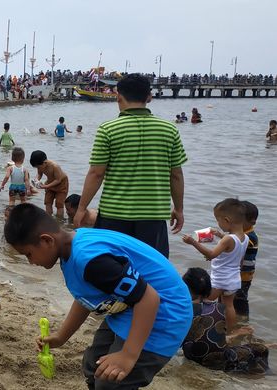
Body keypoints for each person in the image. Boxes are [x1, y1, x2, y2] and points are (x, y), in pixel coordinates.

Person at [5, 204, 192, 389]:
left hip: (165, 313)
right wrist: (61, 337)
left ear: (47, 241)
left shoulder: (90, 260)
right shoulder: (68, 249)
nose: (30, 262)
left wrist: (128, 355)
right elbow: (86, 296)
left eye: (29, 254)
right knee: (92, 364)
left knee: (111, 382)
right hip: (129, 306)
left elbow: (149, 298)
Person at [74, 73, 186, 258]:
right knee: (151, 271)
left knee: (114, 271)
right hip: (153, 216)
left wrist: (81, 209)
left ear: (118, 96)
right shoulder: (169, 129)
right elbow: (176, 175)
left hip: (113, 215)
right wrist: (179, 209)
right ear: (149, 97)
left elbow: (96, 174)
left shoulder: (108, 129)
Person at [181, 268, 269, 374]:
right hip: (216, 362)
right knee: (261, 349)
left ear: (187, 287)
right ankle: (263, 377)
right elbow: (216, 341)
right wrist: (235, 335)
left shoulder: (183, 308)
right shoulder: (219, 308)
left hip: (192, 357)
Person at [181, 198, 248, 335]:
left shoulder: (227, 239)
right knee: (229, 306)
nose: (218, 224)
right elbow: (239, 259)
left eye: (218, 220)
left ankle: (193, 326)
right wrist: (219, 234)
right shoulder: (245, 238)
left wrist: (193, 242)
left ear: (227, 220)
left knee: (202, 300)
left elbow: (211, 254)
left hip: (220, 279)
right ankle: (230, 332)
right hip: (234, 278)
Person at [234, 201, 258, 318]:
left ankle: (243, 318)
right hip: (238, 272)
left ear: (251, 222)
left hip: (244, 274)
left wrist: (221, 236)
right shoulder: (241, 233)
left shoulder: (250, 236)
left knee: (240, 297)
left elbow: (238, 242)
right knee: (232, 295)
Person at [30, 150, 69, 220]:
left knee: (59, 204)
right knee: (48, 202)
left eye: (38, 167)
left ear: (45, 163)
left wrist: (46, 186)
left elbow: (58, 180)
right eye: (37, 167)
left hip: (61, 184)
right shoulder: (40, 165)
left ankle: (59, 220)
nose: (38, 168)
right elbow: (39, 174)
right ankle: (48, 219)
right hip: (50, 183)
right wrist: (36, 179)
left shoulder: (55, 166)